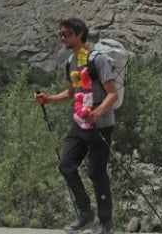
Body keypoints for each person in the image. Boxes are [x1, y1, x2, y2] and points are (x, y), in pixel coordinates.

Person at [34, 18, 118, 234]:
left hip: (101, 124)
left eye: (67, 33)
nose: (63, 37)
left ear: (79, 34)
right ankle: (85, 214)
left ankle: (106, 223)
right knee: (66, 165)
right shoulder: (71, 62)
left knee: (96, 172)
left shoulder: (97, 60)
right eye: (61, 34)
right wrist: (49, 99)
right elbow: (72, 94)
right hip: (80, 121)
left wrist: (97, 113)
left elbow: (112, 95)